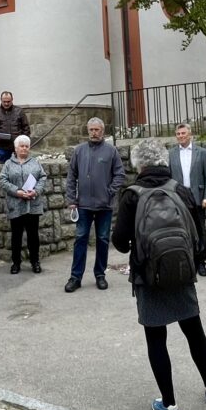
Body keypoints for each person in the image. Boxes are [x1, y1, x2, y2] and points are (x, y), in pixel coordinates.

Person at [112, 138, 206, 410]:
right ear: (164, 160)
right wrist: (194, 264)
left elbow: (120, 243)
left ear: (139, 164)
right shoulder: (181, 190)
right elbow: (199, 235)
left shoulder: (132, 194)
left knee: (156, 338)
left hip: (148, 277)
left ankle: (170, 405)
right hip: (182, 273)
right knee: (194, 331)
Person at [64, 117, 125, 292]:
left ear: (103, 131)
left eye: (97, 130)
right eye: (91, 130)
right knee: (80, 239)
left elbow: (120, 174)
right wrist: (71, 200)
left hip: (104, 206)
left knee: (103, 240)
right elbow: (71, 176)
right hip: (83, 205)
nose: (94, 133)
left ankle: (100, 274)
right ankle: (75, 277)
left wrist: (109, 191)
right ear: (87, 131)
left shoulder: (111, 151)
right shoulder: (79, 151)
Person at [168, 123, 206, 277]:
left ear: (190, 135)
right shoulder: (171, 153)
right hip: (179, 198)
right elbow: (168, 177)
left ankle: (201, 262)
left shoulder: (202, 153)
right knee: (181, 231)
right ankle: (187, 261)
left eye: (183, 133)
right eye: (178, 134)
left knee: (200, 230)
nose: (181, 136)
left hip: (198, 198)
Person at [0, 134, 47, 274]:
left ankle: (35, 262)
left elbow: (43, 177)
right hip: (16, 204)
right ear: (16, 148)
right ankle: (16, 263)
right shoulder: (8, 164)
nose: (24, 148)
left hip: (32, 204)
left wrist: (36, 191)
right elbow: (3, 181)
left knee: (33, 236)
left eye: (27, 146)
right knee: (16, 236)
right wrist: (18, 192)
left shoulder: (35, 162)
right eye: (22, 146)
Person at [0, 90, 30, 164]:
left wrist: (23, 142)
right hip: (2, 147)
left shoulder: (19, 111)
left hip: (18, 147)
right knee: (3, 167)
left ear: (12, 100)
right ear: (1, 100)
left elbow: (26, 128)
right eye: (4, 101)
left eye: (8, 101)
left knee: (20, 166)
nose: (6, 103)